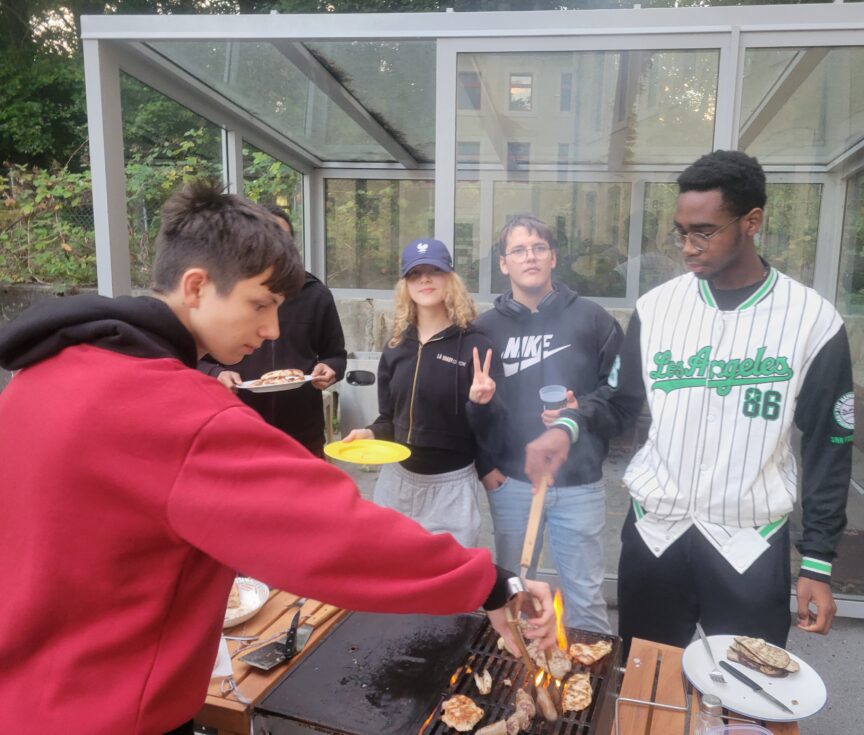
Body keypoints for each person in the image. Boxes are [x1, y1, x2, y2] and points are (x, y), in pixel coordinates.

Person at [0, 182, 555, 734]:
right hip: (111, 714)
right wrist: (490, 582)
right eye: (260, 305)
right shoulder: (179, 412)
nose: (271, 330)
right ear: (196, 287)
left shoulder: (41, 376)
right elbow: (332, 533)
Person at [525, 150, 853, 651]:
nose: (687, 247)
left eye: (703, 232)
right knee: (646, 679)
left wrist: (818, 560)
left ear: (752, 222)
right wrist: (568, 426)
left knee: (745, 686)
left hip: (749, 539)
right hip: (656, 532)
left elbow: (830, 444)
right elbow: (619, 399)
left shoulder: (812, 320)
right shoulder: (657, 308)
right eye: (680, 232)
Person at [474, 215, 624, 635]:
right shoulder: (485, 329)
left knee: (585, 598)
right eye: (519, 250)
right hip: (513, 485)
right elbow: (470, 409)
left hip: (579, 485)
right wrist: (487, 469)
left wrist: (579, 412)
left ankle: (589, 670)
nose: (530, 257)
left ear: (553, 257)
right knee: (514, 592)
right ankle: (515, 667)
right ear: (503, 263)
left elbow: (620, 396)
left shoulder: (593, 320)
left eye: (539, 248)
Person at [343, 238, 500, 548]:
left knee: (450, 575)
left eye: (434, 271)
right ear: (405, 286)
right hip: (396, 483)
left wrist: (481, 404)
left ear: (450, 279)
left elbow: (492, 430)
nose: (425, 279)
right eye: (415, 274)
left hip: (451, 488)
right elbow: (390, 418)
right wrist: (371, 433)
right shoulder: (396, 346)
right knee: (390, 571)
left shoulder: (476, 346)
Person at [199, 204, 346, 457]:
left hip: (302, 432)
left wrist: (330, 368)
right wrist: (216, 373)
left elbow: (336, 355)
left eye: (282, 241)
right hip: (238, 427)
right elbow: (194, 357)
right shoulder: (227, 294)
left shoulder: (315, 294)